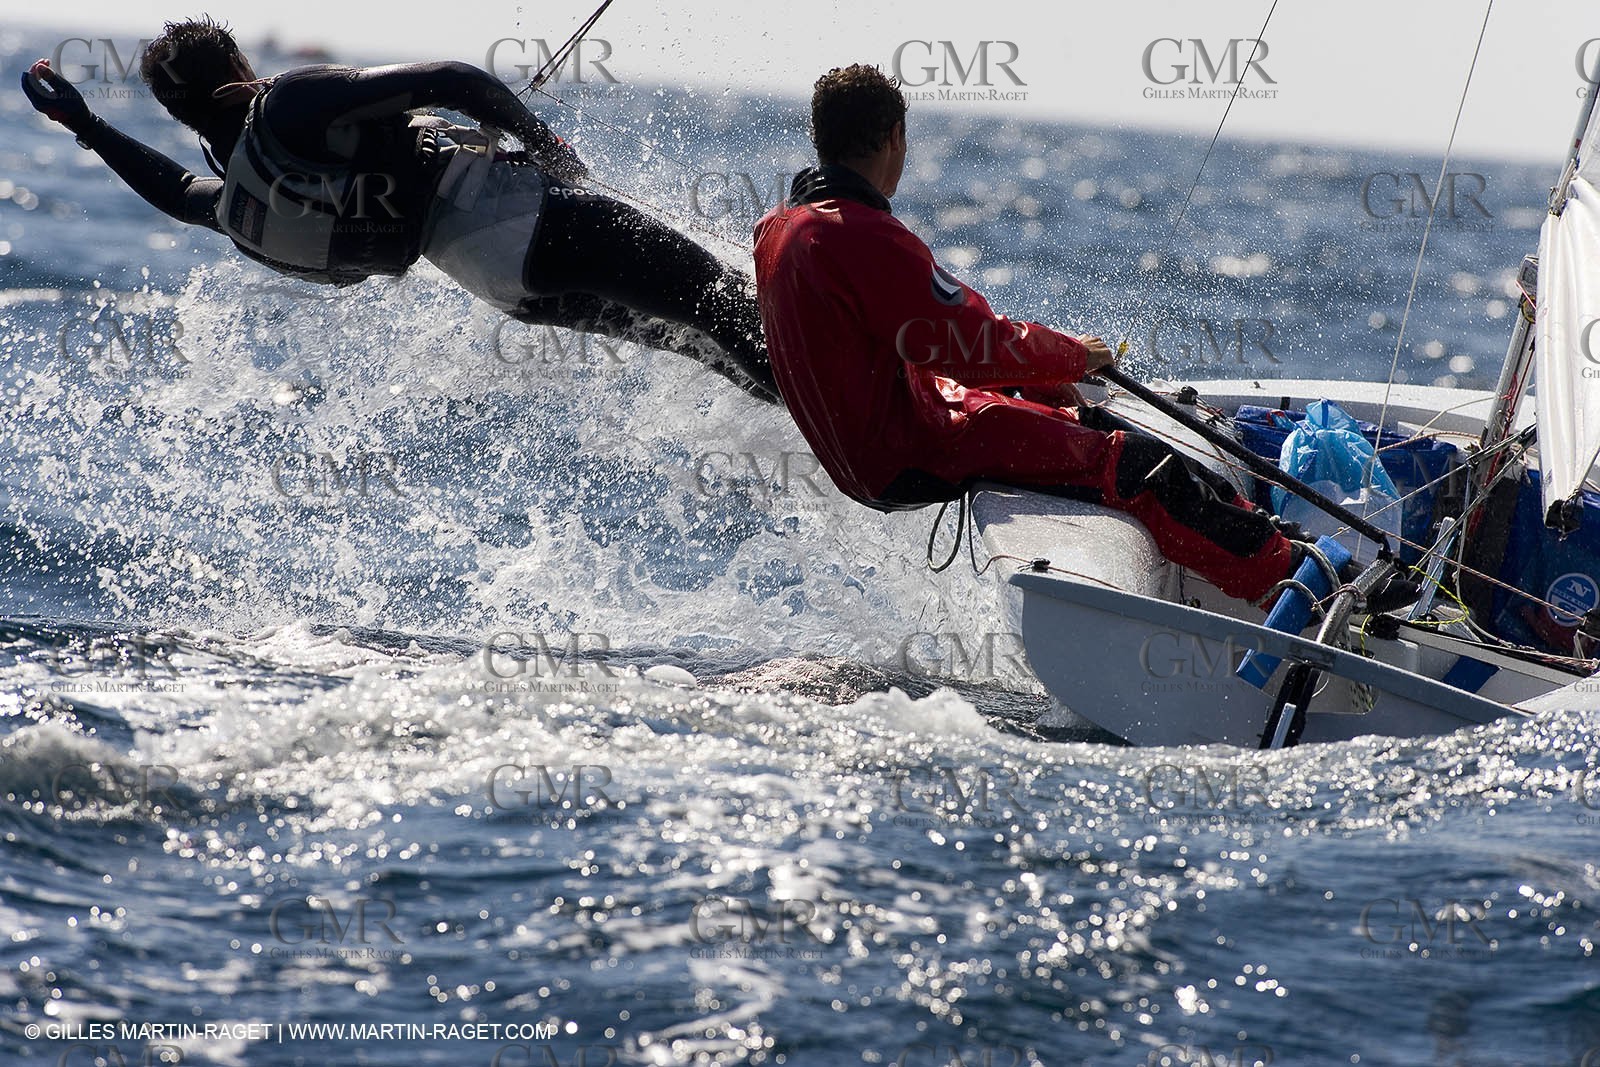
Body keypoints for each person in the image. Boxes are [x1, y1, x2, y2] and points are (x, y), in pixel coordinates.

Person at [752, 64, 1298, 604]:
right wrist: (1072, 357)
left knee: (1086, 418)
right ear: (895, 135)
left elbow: (892, 344)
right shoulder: (857, 235)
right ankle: (1285, 575)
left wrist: (1034, 379)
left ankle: (1264, 534)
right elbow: (971, 344)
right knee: (1139, 468)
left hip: (878, 445)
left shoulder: (778, 228)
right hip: (913, 451)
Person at [20, 17, 777, 402]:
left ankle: (823, 425)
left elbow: (177, 194)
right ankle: (841, 403)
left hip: (506, 285)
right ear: (238, 67)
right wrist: (552, 153)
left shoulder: (241, 201)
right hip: (526, 224)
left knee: (708, 343)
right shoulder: (290, 105)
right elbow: (459, 80)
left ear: (177, 113)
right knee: (718, 300)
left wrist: (88, 126)